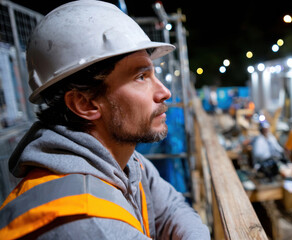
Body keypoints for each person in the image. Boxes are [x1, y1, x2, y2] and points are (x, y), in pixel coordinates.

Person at [0, 1, 210, 239]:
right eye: (141, 77)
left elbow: (173, 208)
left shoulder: (125, 162)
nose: (164, 92)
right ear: (85, 103)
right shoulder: (86, 222)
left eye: (153, 73)